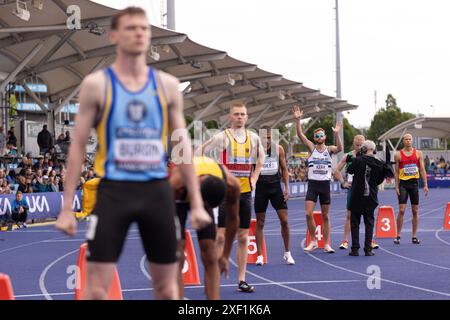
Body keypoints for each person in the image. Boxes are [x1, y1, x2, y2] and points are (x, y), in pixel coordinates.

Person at [55, 7, 211, 300]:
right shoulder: (96, 85)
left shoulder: (167, 86)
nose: (139, 33)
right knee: (96, 290)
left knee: (167, 289)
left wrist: (198, 203)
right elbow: (77, 145)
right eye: (131, 28)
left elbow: (182, 146)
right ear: (114, 35)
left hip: (157, 193)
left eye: (144, 28)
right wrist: (66, 207)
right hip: (114, 192)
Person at [197, 102, 265, 293]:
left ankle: (241, 279)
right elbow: (199, 152)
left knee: (243, 237)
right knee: (219, 237)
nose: (240, 117)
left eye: (243, 114)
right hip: (225, 194)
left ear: (247, 117)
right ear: (230, 117)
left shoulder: (253, 138)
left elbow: (260, 159)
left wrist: (255, 177)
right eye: (236, 114)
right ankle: (214, 276)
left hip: (244, 193)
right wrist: (211, 174)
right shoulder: (222, 137)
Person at [170, 156, 240, 300]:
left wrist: (225, 256)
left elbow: (233, 220)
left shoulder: (232, 185)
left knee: (210, 255)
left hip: (204, 188)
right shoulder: (177, 182)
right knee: (177, 257)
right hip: (178, 199)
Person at [292, 105, 342, 254]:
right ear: (315, 138)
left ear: (325, 137)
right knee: (308, 213)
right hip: (313, 185)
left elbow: (340, 148)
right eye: (317, 136)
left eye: (322, 135)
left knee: (326, 216)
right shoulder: (312, 148)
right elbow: (300, 135)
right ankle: (313, 241)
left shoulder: (330, 149)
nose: (319, 137)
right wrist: (298, 120)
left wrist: (337, 134)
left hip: (325, 185)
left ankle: (326, 244)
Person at [254, 126, 295, 265]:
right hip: (260, 188)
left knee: (284, 220)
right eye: (264, 137)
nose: (266, 140)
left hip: (275, 187)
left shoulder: (279, 149)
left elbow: (284, 169)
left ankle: (287, 253)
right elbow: (249, 169)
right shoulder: (255, 150)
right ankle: (259, 255)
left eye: (269, 137)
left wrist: (287, 187)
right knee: (260, 222)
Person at [347, 140, 394, 256]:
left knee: (355, 223)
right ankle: (368, 249)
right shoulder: (379, 163)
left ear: (363, 149)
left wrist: (357, 156)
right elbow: (379, 180)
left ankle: (355, 249)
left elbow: (349, 170)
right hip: (371, 196)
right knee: (369, 223)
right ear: (373, 150)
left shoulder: (358, 160)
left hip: (357, 196)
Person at [333, 135, 380, 250]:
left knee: (368, 215)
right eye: (357, 145)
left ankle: (371, 241)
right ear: (354, 144)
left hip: (367, 189)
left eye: (361, 145)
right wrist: (343, 182)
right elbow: (336, 170)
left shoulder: (371, 156)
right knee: (350, 215)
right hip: (353, 189)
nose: (359, 147)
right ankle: (345, 241)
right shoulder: (349, 156)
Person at [394, 133, 428, 245]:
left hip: (414, 184)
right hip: (403, 184)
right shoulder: (398, 154)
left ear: (412, 140)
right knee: (402, 210)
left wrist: (425, 184)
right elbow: (397, 171)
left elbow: (422, 169)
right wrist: (396, 186)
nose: (408, 141)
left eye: (410, 139)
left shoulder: (418, 153)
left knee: (415, 210)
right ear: (403, 141)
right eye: (406, 139)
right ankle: (398, 235)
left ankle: (414, 236)